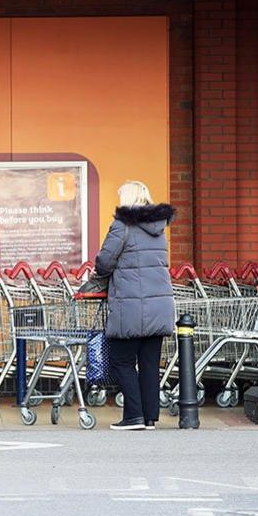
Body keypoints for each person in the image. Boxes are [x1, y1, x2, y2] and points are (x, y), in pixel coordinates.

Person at [94, 181, 176, 431]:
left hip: (130, 306)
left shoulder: (122, 226)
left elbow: (104, 262)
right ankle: (150, 418)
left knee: (122, 361)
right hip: (159, 304)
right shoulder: (158, 230)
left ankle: (133, 416)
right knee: (150, 363)